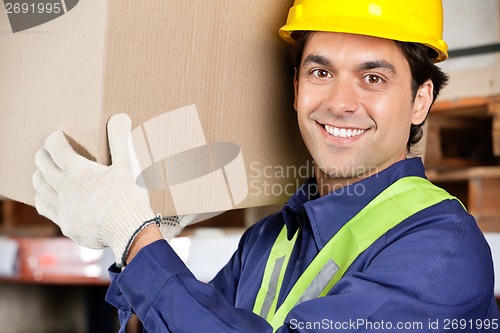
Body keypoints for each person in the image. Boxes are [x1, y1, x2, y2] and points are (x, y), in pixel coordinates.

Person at [32, 0, 500, 332]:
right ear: (296, 87)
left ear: (421, 100)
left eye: (372, 77)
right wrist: (133, 242)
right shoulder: (269, 239)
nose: (340, 102)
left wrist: (137, 238)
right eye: (321, 72)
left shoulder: (442, 249)